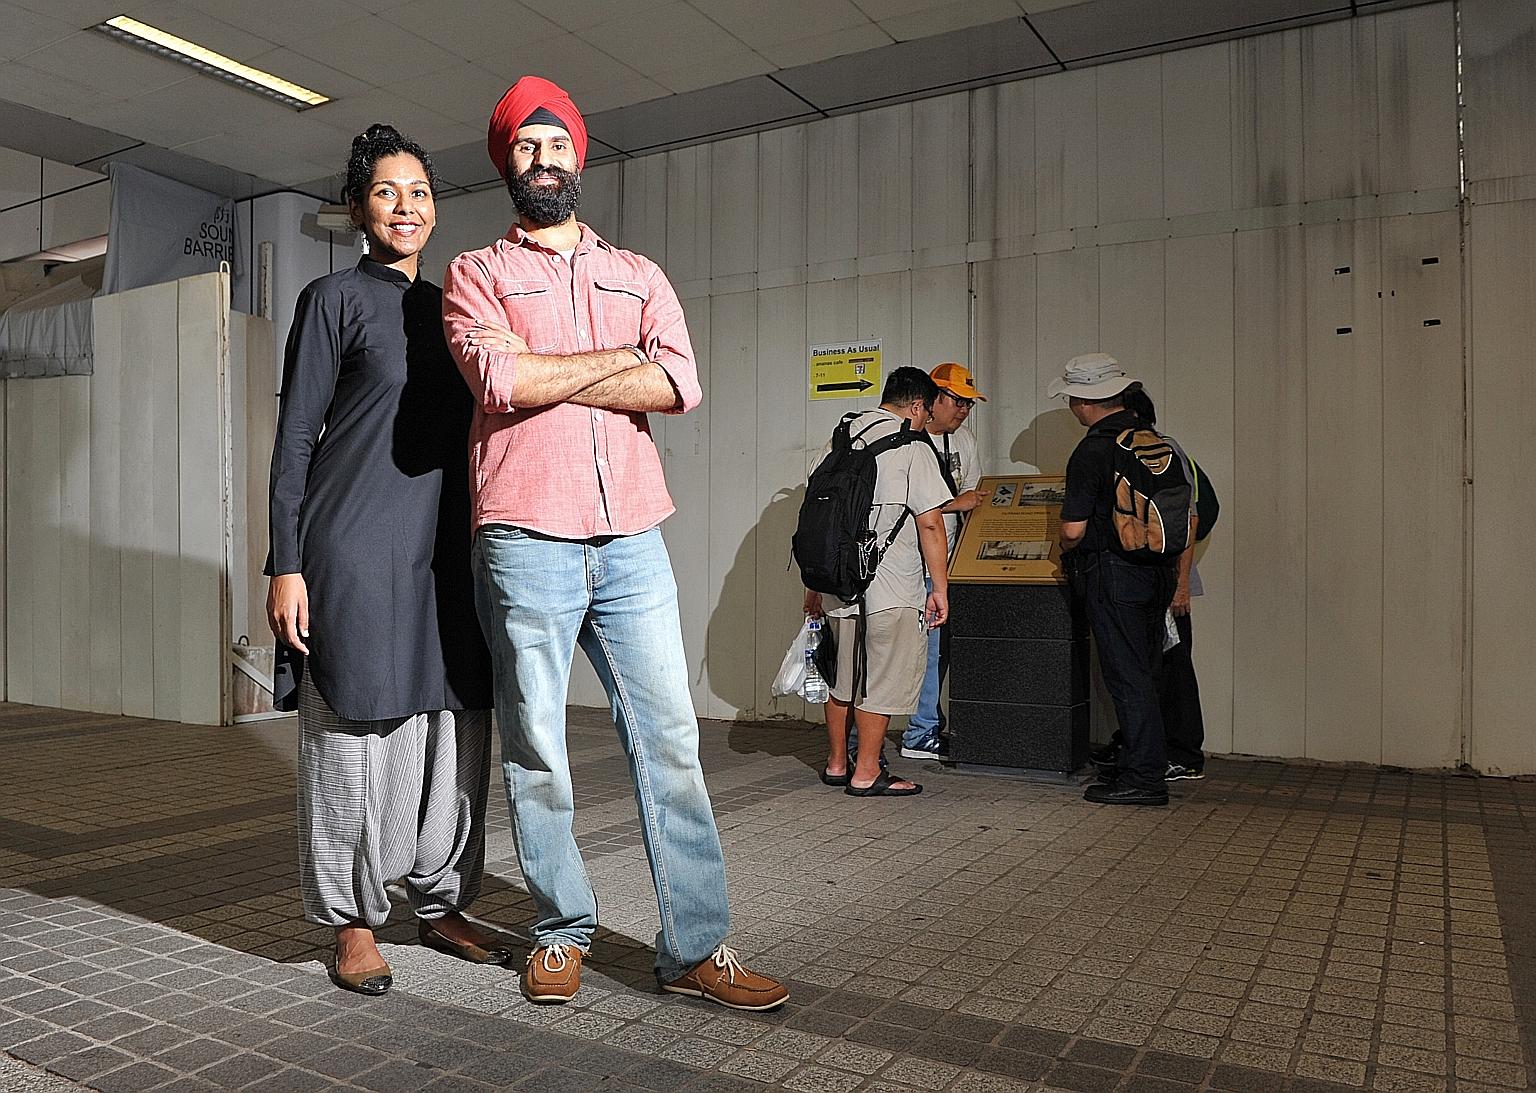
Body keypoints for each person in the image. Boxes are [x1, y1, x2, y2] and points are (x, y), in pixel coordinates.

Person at [442, 76, 788, 1012]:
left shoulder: (638, 272)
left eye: (556, 144)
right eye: (526, 146)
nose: (543, 159)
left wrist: (551, 370)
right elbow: (498, 381)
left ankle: (697, 945)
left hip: (632, 533)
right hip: (525, 531)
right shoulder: (476, 273)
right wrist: (618, 363)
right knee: (539, 747)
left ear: (578, 158)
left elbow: (679, 385)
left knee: (670, 740)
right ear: (507, 164)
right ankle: (562, 930)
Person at [265, 125, 505, 996]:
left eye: (420, 193)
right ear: (358, 209)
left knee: (453, 721)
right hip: (355, 542)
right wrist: (284, 561)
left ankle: (441, 900)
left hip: (446, 549)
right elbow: (296, 436)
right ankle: (353, 921)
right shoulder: (332, 299)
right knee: (353, 728)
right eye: (386, 192)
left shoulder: (460, 306)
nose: (406, 207)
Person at [804, 367, 953, 797]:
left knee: (841, 678)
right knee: (880, 680)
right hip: (891, 589)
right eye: (927, 413)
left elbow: (818, 518)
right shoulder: (912, 447)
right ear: (917, 406)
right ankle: (867, 771)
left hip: (838, 585)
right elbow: (930, 524)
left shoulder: (839, 439)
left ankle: (837, 763)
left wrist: (814, 586)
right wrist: (939, 588)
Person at [1052, 353, 1177, 806]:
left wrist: (1063, 549)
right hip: (1158, 572)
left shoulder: (1093, 449)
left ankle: (1144, 778)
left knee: (1127, 678)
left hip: (1113, 575)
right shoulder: (1155, 441)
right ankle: (1143, 762)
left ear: (1085, 401)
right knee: (1147, 672)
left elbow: (1073, 530)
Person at [1090, 433, 1209, 781]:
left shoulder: (1158, 450)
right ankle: (1144, 747)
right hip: (1155, 579)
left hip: (1165, 580)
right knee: (1150, 670)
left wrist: (1181, 585)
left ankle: (1182, 754)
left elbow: (1191, 518)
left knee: (1171, 670)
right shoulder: (1141, 449)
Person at [902, 362, 987, 761]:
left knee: (938, 652)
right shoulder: (906, 439)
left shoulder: (964, 440)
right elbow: (909, 504)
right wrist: (954, 503)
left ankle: (923, 729)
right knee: (890, 652)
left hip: (944, 566)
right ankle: (885, 737)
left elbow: (975, 496)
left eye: (970, 403)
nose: (964, 410)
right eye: (958, 401)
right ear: (931, 399)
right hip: (905, 565)